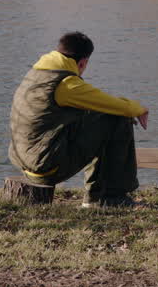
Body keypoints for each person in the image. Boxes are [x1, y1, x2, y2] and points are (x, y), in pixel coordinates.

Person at [9, 31, 150, 208]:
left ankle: (97, 197)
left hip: (25, 161)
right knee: (117, 119)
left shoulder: (37, 72)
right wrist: (138, 109)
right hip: (46, 167)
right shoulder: (66, 84)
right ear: (83, 62)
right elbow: (112, 104)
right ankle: (111, 197)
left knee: (96, 117)